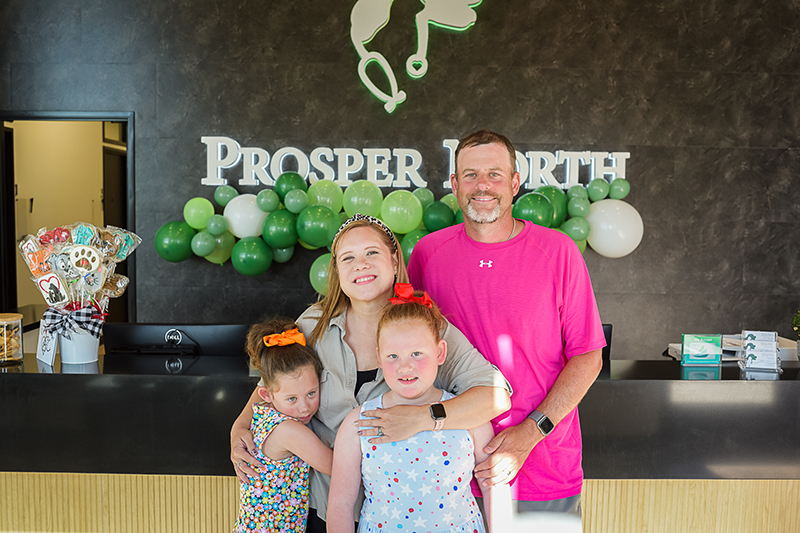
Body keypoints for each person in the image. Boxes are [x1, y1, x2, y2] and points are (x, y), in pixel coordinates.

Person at [231, 214, 511, 532]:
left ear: (394, 261)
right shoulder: (313, 324)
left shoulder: (426, 326)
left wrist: (424, 418)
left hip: (404, 511)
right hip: (321, 503)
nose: (361, 264)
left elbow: (495, 397)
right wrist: (239, 425)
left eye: (372, 253)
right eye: (348, 257)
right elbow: (275, 382)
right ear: (336, 271)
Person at [407, 129, 605, 521]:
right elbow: (403, 346)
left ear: (515, 184)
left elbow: (588, 358)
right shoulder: (429, 254)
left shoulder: (558, 252)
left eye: (495, 175)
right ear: (454, 185)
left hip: (542, 470)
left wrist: (529, 433)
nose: (483, 186)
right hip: (447, 470)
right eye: (471, 175)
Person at [327, 285, 501, 533]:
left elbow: (493, 487)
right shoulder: (360, 421)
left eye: (417, 353)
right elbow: (341, 503)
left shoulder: (468, 414)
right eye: (393, 356)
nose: (404, 367)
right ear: (379, 357)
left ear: (440, 352)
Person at [233, 317, 333, 533]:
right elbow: (336, 467)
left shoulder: (261, 414)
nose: (305, 407)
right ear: (266, 394)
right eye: (292, 399)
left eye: (311, 393)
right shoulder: (289, 431)